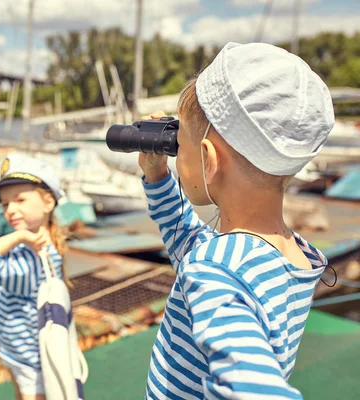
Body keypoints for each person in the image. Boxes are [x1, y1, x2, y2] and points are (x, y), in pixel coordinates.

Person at [141, 42, 335, 399]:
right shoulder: (291, 255)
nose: (173, 151)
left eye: (178, 143)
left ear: (208, 160)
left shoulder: (216, 269)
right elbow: (190, 246)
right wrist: (158, 178)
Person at [0, 152, 68, 400]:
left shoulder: (31, 258)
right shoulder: (35, 250)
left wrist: (18, 236)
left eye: (20, 200)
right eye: (5, 204)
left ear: (48, 203)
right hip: (16, 351)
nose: (10, 210)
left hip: (30, 358)